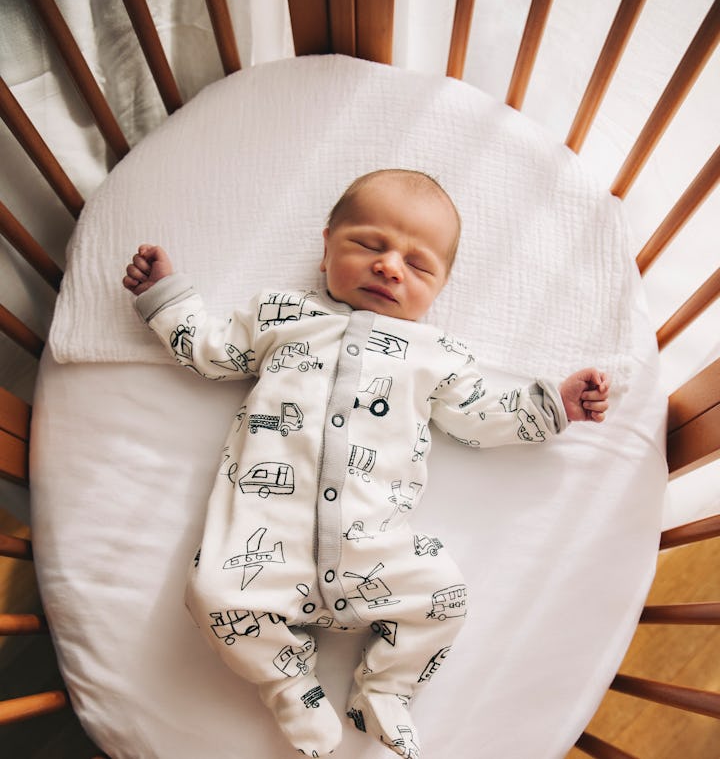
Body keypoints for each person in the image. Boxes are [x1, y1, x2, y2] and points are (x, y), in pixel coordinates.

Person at [123, 169, 610, 758]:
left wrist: (556, 403)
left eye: (418, 264)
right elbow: (214, 351)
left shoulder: (437, 356)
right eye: (368, 244)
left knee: (444, 595)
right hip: (262, 541)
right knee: (211, 595)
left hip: (375, 548)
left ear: (441, 286)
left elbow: (482, 415)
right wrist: (167, 298)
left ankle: (384, 689)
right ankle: (289, 686)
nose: (389, 267)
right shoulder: (281, 314)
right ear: (326, 245)